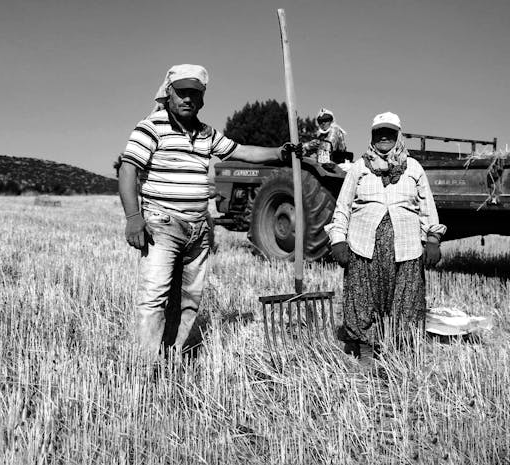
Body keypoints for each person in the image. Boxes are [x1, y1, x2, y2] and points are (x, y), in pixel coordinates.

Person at [119, 64, 299, 358]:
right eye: (182, 93)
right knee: (154, 298)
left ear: (202, 98)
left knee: (189, 299)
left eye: (194, 94)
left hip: (198, 230)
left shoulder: (206, 134)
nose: (187, 99)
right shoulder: (150, 127)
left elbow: (241, 151)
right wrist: (133, 218)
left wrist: (279, 153)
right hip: (162, 226)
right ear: (169, 93)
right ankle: (145, 368)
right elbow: (128, 170)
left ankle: (172, 356)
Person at [324, 111, 446, 358]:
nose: (383, 138)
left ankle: (401, 355)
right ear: (372, 136)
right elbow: (343, 207)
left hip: (407, 248)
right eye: (378, 133)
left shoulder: (413, 168)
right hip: (363, 246)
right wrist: (338, 240)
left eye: (389, 133)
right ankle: (366, 351)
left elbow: (427, 207)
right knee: (362, 301)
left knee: (407, 304)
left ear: (398, 135)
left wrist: (433, 239)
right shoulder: (359, 168)